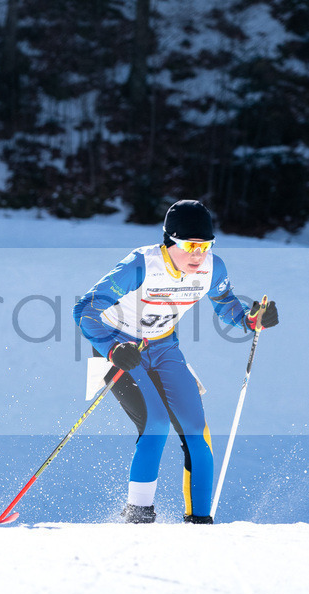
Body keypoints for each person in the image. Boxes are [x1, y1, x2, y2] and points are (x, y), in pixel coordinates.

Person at [73, 200, 278, 524]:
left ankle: (199, 521)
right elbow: (85, 310)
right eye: (190, 246)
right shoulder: (140, 266)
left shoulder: (213, 268)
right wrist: (113, 348)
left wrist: (252, 319)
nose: (198, 255)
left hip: (164, 346)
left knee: (197, 429)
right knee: (155, 424)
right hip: (121, 346)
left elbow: (226, 305)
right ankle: (138, 514)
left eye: (206, 246)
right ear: (169, 242)